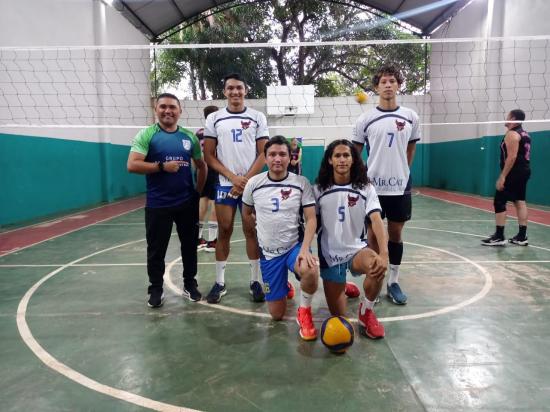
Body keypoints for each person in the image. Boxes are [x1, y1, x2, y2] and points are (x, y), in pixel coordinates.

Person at [127, 93, 207, 308]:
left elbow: (202, 166)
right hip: (157, 204)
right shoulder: (147, 135)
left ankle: (190, 284)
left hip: (186, 203)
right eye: (163, 107)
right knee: (156, 250)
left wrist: (197, 193)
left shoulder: (189, 137)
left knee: (189, 247)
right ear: (156, 109)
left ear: (180, 111)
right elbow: (132, 164)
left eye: (172, 107)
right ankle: (155, 289)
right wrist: (160, 166)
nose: (167, 111)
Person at [353, 64, 420, 306]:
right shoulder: (366, 119)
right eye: (383, 81)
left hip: (400, 186)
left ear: (399, 85)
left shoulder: (411, 116)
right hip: (373, 187)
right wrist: (362, 179)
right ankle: (374, 279)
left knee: (395, 234)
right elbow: (355, 153)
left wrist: (403, 170)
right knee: (372, 235)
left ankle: (393, 281)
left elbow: (411, 147)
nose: (388, 85)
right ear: (376, 87)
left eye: (392, 80)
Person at [242, 135, 319, 340]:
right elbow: (246, 212)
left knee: (310, 270)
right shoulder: (253, 183)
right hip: (269, 254)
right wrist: (258, 229)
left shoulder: (301, 183)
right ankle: (283, 284)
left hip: (294, 247)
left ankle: (304, 311)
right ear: (265, 158)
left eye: (282, 154)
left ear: (289, 157)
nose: (278, 158)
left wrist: (304, 250)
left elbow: (311, 219)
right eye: (272, 154)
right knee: (276, 315)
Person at [203, 73, 269, 304]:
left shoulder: (257, 117)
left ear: (246, 90)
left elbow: (264, 153)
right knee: (225, 230)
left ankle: (256, 281)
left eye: (239, 88)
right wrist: (232, 177)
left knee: (251, 231)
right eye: (230, 88)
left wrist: (245, 181)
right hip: (224, 184)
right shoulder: (215, 118)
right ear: (224, 92)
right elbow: (208, 155)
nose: (235, 92)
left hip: (251, 185)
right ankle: (220, 282)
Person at [314, 139, 388, 339]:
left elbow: (376, 220)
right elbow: (312, 223)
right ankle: (342, 284)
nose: (342, 159)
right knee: (339, 318)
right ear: (330, 160)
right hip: (330, 256)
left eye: (346, 155)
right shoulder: (319, 190)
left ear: (353, 160)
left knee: (377, 266)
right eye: (337, 155)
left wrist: (384, 253)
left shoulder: (365, 188)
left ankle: (366, 311)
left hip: (357, 250)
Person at [482, 109, 532, 246]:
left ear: (513, 118)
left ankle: (499, 236)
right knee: (519, 201)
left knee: (499, 200)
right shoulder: (525, 134)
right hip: (524, 170)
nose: (506, 118)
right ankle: (522, 237)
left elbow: (512, 157)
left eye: (508, 116)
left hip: (514, 172)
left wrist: (503, 176)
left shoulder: (512, 134)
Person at [196, 105, 220, 253]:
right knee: (214, 204)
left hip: (201, 169)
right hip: (214, 169)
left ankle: (197, 238)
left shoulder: (198, 132)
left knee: (202, 202)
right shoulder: (217, 131)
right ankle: (212, 242)